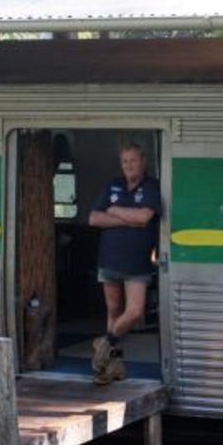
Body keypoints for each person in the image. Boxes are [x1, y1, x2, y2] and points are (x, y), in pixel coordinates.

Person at [88, 142, 161, 385]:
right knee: (114, 312)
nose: (129, 165)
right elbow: (94, 218)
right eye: (125, 161)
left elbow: (144, 218)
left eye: (133, 160)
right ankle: (113, 366)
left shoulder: (152, 186)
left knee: (134, 312)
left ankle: (105, 342)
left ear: (143, 161)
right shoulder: (112, 184)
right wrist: (128, 218)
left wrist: (115, 210)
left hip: (137, 262)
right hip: (109, 259)